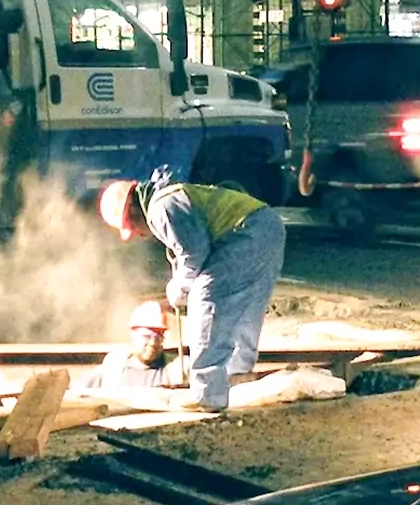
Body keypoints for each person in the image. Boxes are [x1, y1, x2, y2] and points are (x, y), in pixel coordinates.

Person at [97, 168, 286, 412]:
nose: (140, 235)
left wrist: (179, 287)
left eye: (133, 228)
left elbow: (195, 254)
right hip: (268, 227)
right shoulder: (168, 198)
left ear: (132, 210)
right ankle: (238, 378)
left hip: (246, 232)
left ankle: (207, 394)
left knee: (206, 297)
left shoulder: (162, 208)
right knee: (246, 304)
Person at [77, 300, 187, 389]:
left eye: (159, 337)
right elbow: (77, 391)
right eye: (147, 336)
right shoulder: (113, 368)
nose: (153, 343)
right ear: (133, 334)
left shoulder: (178, 369)